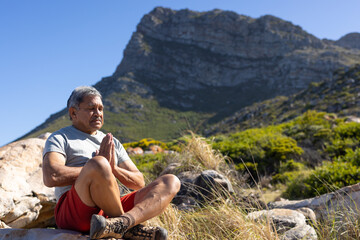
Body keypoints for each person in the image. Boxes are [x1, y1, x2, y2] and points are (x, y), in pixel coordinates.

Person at [42, 86, 181, 239]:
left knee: (171, 181)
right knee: (99, 163)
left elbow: (138, 182)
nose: (98, 113)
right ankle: (129, 230)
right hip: (74, 211)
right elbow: (51, 176)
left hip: (109, 213)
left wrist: (113, 168)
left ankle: (122, 223)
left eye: (101, 109)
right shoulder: (60, 138)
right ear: (73, 112)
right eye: (91, 108)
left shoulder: (111, 141)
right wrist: (96, 168)